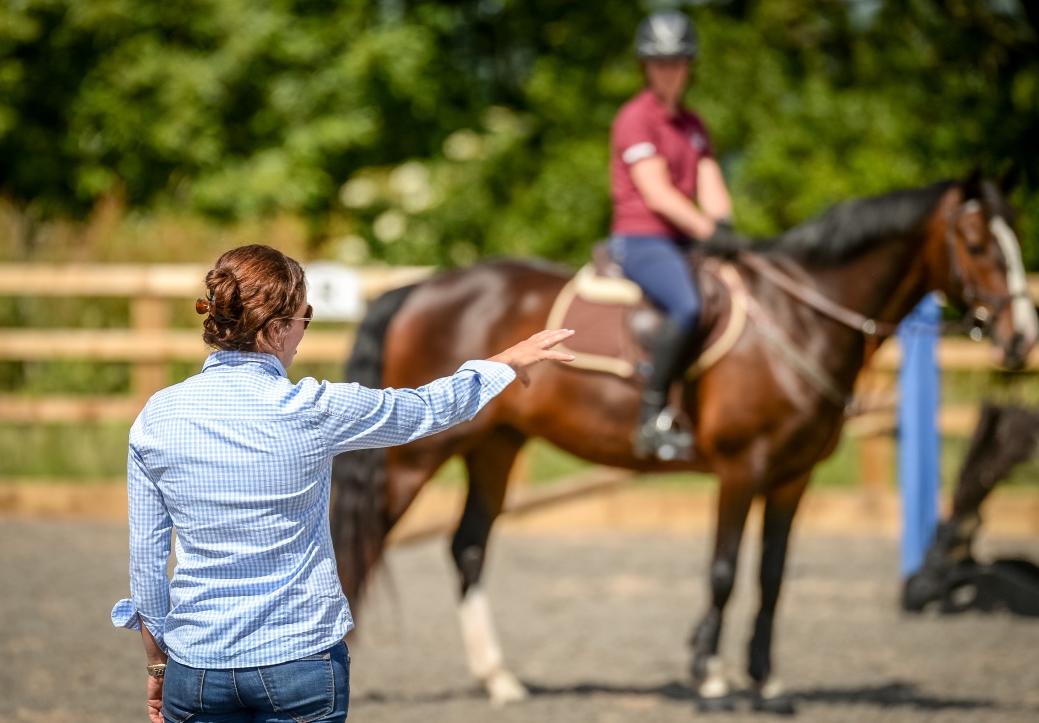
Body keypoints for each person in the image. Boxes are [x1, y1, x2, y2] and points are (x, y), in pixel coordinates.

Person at [111, 244, 574, 723]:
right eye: (304, 318)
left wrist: (158, 664)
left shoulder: (156, 417)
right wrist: (503, 363)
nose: (303, 334)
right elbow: (428, 408)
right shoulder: (315, 408)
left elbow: (147, 563)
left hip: (197, 667)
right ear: (276, 329)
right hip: (299, 660)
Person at [609, 10, 735, 461]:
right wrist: (707, 230)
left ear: (689, 66)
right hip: (641, 240)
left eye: (678, 62)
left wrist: (724, 226)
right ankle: (652, 416)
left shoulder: (693, 124)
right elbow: (658, 194)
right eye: (660, 62)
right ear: (646, 67)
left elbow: (709, 181)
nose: (670, 71)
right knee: (687, 304)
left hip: (684, 240)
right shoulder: (635, 118)